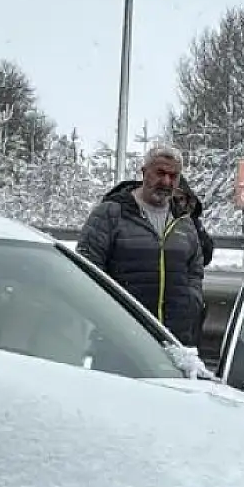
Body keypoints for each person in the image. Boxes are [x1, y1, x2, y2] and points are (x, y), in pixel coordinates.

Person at [76, 144, 208, 348]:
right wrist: (110, 314)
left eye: (173, 176)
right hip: (119, 341)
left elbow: (195, 270)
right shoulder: (111, 214)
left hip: (175, 342)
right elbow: (87, 268)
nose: (166, 181)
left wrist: (191, 302)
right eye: (160, 173)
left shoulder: (184, 221)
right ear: (144, 172)